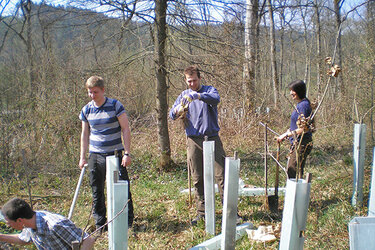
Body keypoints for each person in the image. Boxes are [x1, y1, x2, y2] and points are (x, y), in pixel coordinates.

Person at [169, 66, 228, 225]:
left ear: (199, 79)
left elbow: (216, 99)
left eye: (194, 80)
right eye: (189, 81)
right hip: (193, 141)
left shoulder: (209, 91)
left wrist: (198, 96)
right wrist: (177, 110)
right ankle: (202, 213)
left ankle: (230, 213)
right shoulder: (183, 95)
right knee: (197, 177)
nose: (192, 83)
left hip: (212, 138)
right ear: (185, 80)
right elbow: (171, 115)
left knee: (221, 175)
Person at [79, 76, 134, 230]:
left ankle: (127, 222)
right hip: (95, 156)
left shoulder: (115, 106)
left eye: (95, 92)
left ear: (103, 90)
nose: (92, 95)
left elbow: (126, 129)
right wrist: (82, 157)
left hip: (115, 154)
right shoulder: (86, 110)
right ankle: (100, 224)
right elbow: (84, 134)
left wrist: (127, 153)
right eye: (90, 92)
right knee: (96, 190)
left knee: (122, 188)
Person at [0, 198, 95, 250]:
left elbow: (88, 240)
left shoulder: (55, 225)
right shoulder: (30, 223)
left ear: (20, 220)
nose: (8, 225)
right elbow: (24, 239)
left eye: (9, 222)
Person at [277, 80, 313, 179]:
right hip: (296, 142)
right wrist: (289, 131)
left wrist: (286, 135)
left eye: (292, 90)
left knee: (292, 170)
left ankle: (296, 193)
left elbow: (303, 129)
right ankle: (298, 193)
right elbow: (299, 124)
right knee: (297, 170)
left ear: (299, 91)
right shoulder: (301, 104)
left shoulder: (303, 106)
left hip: (302, 142)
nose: (290, 93)